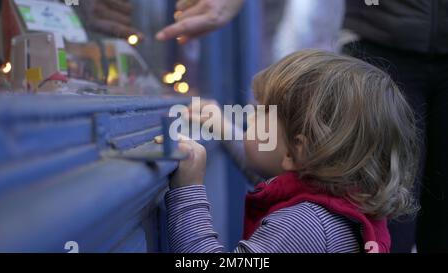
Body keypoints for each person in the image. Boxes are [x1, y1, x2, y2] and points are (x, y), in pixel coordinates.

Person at [157, 0, 448, 253]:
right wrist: (221, 127)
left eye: (261, 112)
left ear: (297, 148)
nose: (250, 118)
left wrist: (189, 189)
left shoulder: (302, 226)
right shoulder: (346, 204)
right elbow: (275, 171)